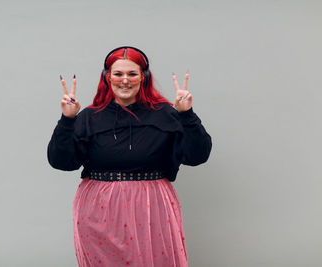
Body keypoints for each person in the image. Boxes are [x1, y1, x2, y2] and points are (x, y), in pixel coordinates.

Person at [47, 46, 212, 267]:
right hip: (98, 210)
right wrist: (67, 121)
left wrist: (187, 115)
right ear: (107, 78)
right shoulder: (88, 117)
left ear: (143, 77)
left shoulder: (165, 114)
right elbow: (61, 162)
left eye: (132, 74)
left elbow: (197, 155)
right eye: (118, 74)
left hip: (152, 206)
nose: (125, 80)